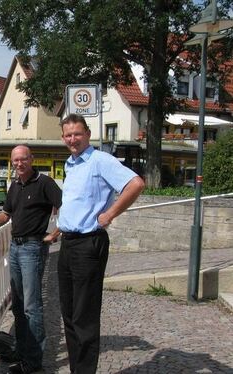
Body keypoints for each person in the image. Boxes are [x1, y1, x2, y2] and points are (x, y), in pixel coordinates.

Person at [56, 114, 145, 374]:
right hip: (68, 244)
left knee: (84, 316)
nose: (73, 139)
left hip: (88, 244)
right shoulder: (70, 163)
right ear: (63, 138)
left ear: (88, 134)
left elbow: (135, 184)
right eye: (68, 135)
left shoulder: (100, 161)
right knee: (69, 314)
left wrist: (110, 214)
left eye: (77, 134)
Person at [0, 145, 61, 374]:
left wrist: (56, 233)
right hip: (15, 248)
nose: (19, 164)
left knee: (32, 308)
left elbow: (65, 206)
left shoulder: (45, 183)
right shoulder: (14, 185)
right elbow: (7, 213)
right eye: (15, 160)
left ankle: (33, 363)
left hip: (33, 248)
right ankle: (22, 352)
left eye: (23, 159)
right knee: (18, 305)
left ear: (31, 159)